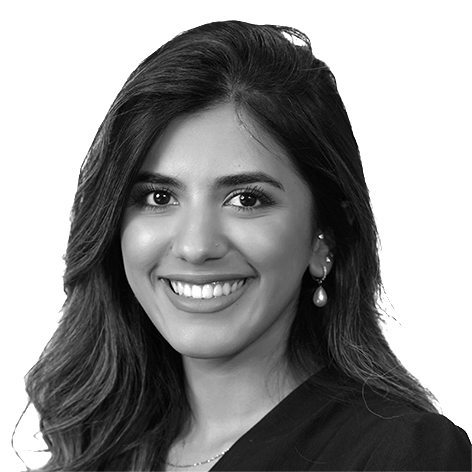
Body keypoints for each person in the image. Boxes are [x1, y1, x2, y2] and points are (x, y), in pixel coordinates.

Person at [21, 20, 470, 471]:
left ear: (324, 237)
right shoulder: (93, 449)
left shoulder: (405, 454)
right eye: (159, 197)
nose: (196, 247)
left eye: (246, 199)